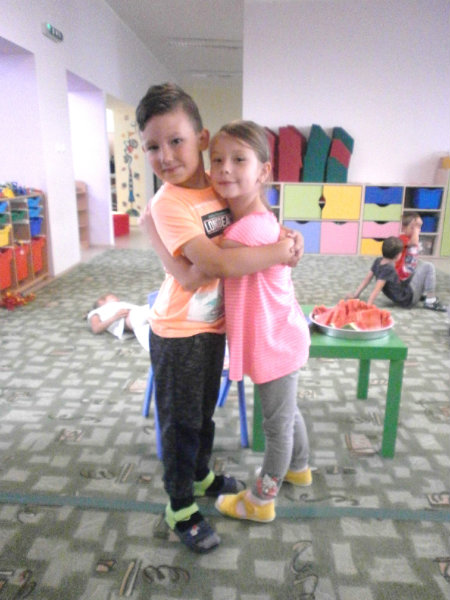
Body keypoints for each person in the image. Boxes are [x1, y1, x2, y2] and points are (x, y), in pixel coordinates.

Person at [136, 83, 299, 553]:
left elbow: (252, 207)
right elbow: (214, 267)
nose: (166, 156)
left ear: (202, 140)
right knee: (180, 423)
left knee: (204, 413)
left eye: (176, 141)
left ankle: (201, 475)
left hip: (213, 327)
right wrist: (279, 252)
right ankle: (179, 505)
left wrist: (286, 234)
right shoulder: (169, 202)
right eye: (153, 147)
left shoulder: (214, 182)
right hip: (179, 331)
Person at [203, 120, 312, 524]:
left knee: (277, 425)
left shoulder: (245, 230)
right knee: (287, 412)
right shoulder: (264, 220)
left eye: (238, 160)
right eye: (217, 160)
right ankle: (299, 467)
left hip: (275, 342)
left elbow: (217, 261)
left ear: (263, 171)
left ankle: (261, 500)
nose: (224, 169)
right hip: (282, 334)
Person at [348, 236, 422, 308]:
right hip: (406, 298)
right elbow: (377, 289)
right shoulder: (388, 269)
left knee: (416, 270)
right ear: (397, 255)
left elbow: (366, 280)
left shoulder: (378, 261)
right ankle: (428, 299)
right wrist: (368, 305)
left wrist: (355, 295)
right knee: (426, 266)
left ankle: (423, 296)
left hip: (402, 292)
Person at [395, 212, 446, 311]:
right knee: (428, 266)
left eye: (419, 227)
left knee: (422, 265)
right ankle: (430, 301)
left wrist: (415, 226)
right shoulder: (402, 238)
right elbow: (414, 242)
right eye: (413, 227)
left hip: (408, 278)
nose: (417, 230)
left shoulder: (410, 238)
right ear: (403, 228)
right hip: (403, 282)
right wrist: (416, 230)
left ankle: (424, 294)